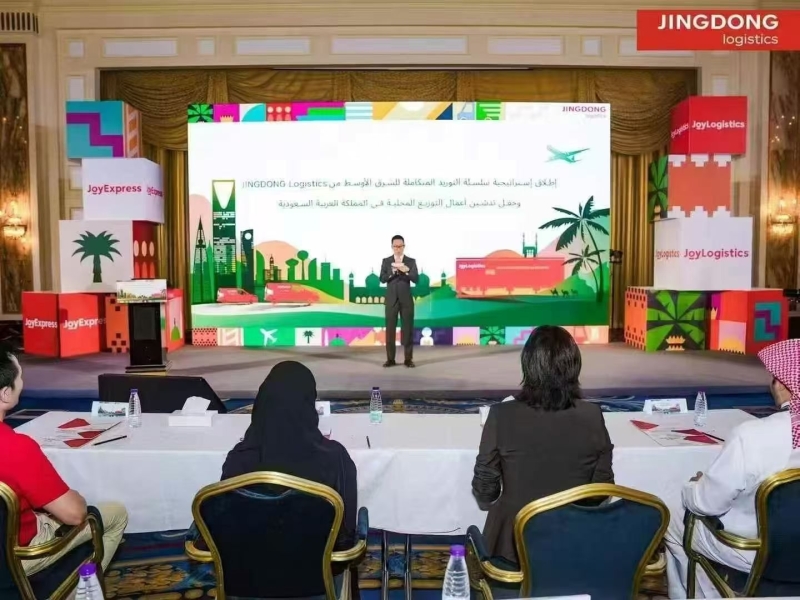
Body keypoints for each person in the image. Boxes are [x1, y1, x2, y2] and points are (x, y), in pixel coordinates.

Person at [664, 338, 800, 599]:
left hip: (755, 550)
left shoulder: (754, 436)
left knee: (673, 516)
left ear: (782, 384)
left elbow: (706, 505)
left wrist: (693, 486)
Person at [471, 326, 614, 565]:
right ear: (574, 365)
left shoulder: (500, 415)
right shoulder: (592, 415)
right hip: (575, 546)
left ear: (527, 364)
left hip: (512, 550)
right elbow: (600, 491)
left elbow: (485, 490)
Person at [221, 361, 358, 590]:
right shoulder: (336, 459)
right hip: (317, 581)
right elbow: (345, 539)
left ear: (261, 404)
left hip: (247, 582)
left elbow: (223, 526)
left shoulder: (238, 460)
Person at [0, 346, 128, 575]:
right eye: (20, 377)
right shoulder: (16, 447)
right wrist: (76, 497)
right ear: (5, 394)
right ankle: (75, 589)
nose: (22, 382)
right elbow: (74, 514)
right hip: (16, 555)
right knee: (115, 514)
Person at [379, 234, 419, 368]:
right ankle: (390, 359)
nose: (398, 249)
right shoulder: (386, 261)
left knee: (407, 330)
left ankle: (408, 359)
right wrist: (392, 272)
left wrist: (405, 271)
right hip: (391, 301)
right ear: (392, 247)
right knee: (390, 331)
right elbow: (382, 278)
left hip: (406, 301)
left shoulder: (411, 261)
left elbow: (416, 278)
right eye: (395, 246)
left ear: (404, 246)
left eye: (400, 246)